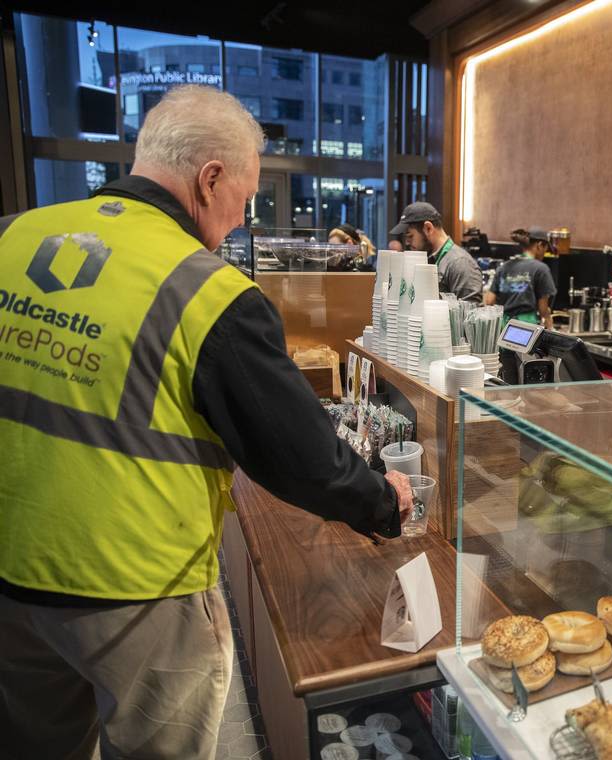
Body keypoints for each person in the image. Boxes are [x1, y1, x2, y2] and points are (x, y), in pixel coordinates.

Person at [0, 86, 412, 760]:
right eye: (244, 200)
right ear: (209, 178)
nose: (240, 220)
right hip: (134, 591)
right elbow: (300, 456)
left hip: (12, 578)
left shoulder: (13, 235)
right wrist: (380, 500)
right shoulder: (206, 289)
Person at [389, 201, 482, 302]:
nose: (407, 242)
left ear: (428, 228)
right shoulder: (427, 259)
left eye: (410, 236)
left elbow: (470, 313)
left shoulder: (460, 263)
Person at [485, 227, 557, 329]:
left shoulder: (503, 267)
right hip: (526, 328)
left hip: (503, 327)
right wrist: (550, 327)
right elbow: (543, 309)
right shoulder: (541, 269)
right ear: (540, 245)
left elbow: (489, 301)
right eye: (545, 250)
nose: (544, 254)